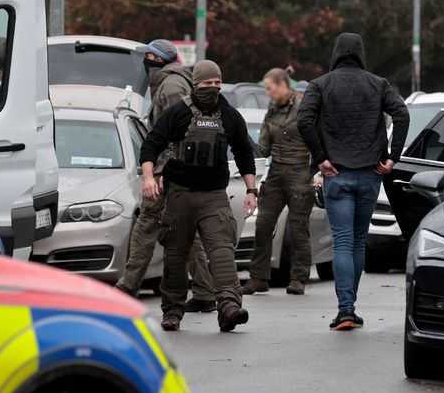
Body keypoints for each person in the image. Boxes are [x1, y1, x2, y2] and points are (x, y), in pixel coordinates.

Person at [297, 33, 409, 332]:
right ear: (361, 52)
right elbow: (402, 114)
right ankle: (352, 306)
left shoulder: (320, 85)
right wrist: (392, 157)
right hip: (371, 173)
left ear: (335, 53)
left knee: (342, 242)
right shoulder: (378, 84)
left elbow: (304, 119)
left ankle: (344, 309)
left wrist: (320, 157)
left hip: (336, 173)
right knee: (358, 241)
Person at [139, 60, 258, 332]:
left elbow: (244, 154)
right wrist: (148, 177)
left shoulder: (230, 115)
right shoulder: (178, 112)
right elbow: (151, 145)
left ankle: (229, 307)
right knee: (176, 254)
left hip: (215, 195)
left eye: (218, 83)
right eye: (208, 84)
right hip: (179, 195)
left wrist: (251, 190)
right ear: (195, 84)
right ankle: (172, 311)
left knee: (222, 250)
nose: (213, 88)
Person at [116, 39, 216, 313]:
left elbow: (179, 133)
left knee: (146, 225)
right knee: (186, 230)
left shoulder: (170, 87)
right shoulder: (170, 83)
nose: (144, 61)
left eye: (147, 55)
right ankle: (205, 291)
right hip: (175, 168)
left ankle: (126, 289)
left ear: (156, 58)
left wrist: (164, 171)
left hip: (168, 169)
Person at [243, 66, 315, 297]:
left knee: (298, 227)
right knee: (263, 224)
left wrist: (316, 173)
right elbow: (263, 147)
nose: (268, 94)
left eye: (270, 88)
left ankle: (298, 278)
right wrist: (243, 139)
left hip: (299, 172)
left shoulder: (306, 109)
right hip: (276, 173)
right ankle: (258, 278)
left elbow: (319, 144)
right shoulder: (272, 111)